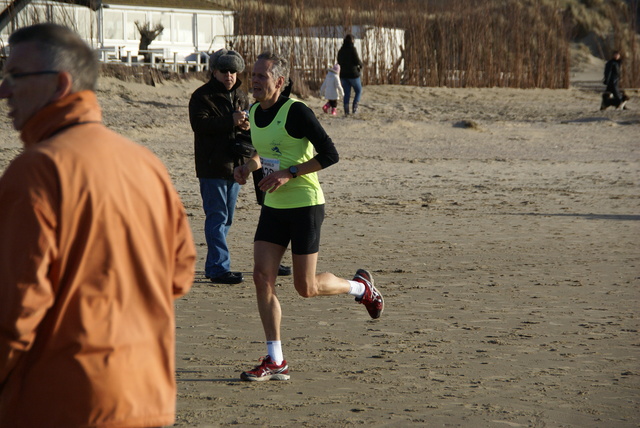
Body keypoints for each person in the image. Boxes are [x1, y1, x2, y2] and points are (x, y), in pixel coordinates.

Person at [0, 23, 196, 427]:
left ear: (60, 84)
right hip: (146, 395)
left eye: (15, 75)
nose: (4, 90)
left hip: (63, 402)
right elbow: (180, 274)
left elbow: (16, 310)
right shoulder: (145, 163)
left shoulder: (37, 171)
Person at [233, 51, 384, 382]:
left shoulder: (296, 111)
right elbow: (265, 152)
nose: (254, 81)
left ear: (280, 82)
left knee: (306, 287)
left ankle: (360, 289)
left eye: (261, 76)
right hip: (273, 207)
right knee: (262, 277)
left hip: (305, 205)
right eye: (253, 75)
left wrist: (290, 173)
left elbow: (330, 154)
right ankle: (276, 361)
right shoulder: (256, 112)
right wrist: (248, 167)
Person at [189, 48, 251, 285]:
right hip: (211, 166)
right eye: (224, 71)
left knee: (227, 219)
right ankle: (219, 268)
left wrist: (245, 127)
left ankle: (214, 264)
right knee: (217, 217)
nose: (229, 76)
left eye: (233, 71)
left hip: (236, 166)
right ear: (214, 71)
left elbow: (247, 124)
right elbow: (200, 125)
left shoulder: (241, 96)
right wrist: (230, 121)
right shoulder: (201, 96)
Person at [337, 34, 364, 116]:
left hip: (343, 75)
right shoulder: (352, 49)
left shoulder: (341, 50)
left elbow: (339, 61)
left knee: (347, 93)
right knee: (358, 90)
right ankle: (355, 108)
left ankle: (346, 110)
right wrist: (361, 65)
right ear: (352, 41)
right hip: (353, 74)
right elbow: (357, 60)